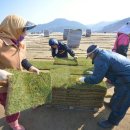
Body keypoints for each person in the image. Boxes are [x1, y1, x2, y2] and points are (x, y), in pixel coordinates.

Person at [0, 15, 40, 130]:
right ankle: (14, 125)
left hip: (16, 81)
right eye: (24, 30)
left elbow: (22, 59)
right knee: (12, 106)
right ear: (14, 28)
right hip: (3, 86)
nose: (26, 33)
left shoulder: (20, 43)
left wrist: (30, 67)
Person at [78, 44, 130, 128]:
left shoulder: (100, 58)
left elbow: (96, 79)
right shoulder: (103, 53)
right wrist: (95, 73)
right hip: (123, 76)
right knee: (118, 92)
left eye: (89, 56)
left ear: (92, 54)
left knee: (122, 102)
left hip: (127, 80)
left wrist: (84, 79)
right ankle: (112, 105)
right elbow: (106, 67)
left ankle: (111, 123)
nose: (90, 58)